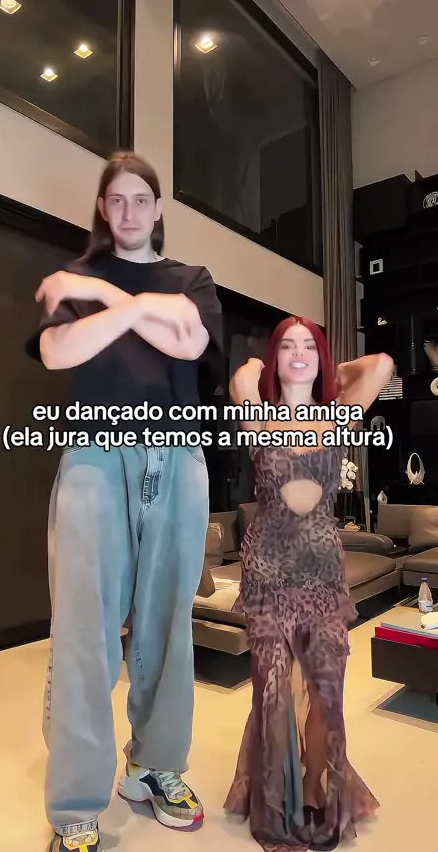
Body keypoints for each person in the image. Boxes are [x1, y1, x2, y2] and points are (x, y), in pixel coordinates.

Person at [25, 151, 223, 852]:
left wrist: (107, 300)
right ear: (103, 209)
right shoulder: (79, 274)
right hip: (95, 457)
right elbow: (58, 352)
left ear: (158, 208)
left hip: (177, 458)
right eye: (118, 200)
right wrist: (139, 310)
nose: (130, 211)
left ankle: (154, 766)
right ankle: (76, 803)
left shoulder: (190, 280)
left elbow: (192, 342)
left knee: (168, 624)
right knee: (85, 632)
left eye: (142, 199)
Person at [224, 316, 392, 852]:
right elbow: (243, 374)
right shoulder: (258, 413)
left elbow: (381, 364)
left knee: (326, 693)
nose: (298, 352)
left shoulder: (339, 415)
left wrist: (326, 368)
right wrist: (275, 362)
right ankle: (275, 808)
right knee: (273, 694)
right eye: (287, 347)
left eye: (308, 347)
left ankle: (318, 792)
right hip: (267, 576)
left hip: (321, 576)